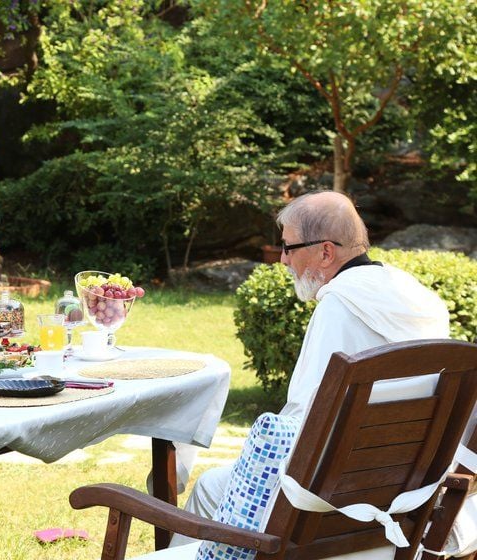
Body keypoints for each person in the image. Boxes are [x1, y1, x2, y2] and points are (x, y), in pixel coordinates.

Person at [170, 190, 450, 544]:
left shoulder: (340, 306)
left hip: (326, 502)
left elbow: (304, 418)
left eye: (288, 247)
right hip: (402, 495)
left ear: (326, 251)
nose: (283, 260)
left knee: (211, 487)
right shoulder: (420, 300)